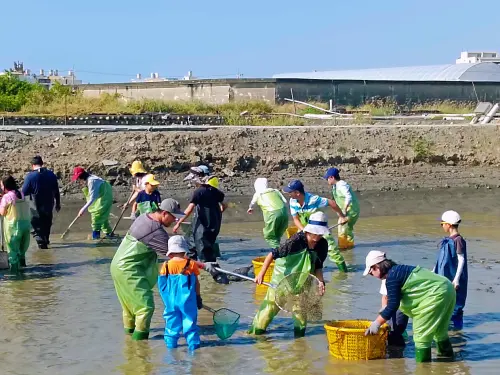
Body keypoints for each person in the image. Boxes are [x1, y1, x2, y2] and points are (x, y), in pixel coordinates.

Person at [110, 199, 184, 340]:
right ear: (164, 213)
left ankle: (129, 342)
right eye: (173, 216)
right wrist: (204, 266)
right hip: (129, 270)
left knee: (129, 308)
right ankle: (140, 346)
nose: (175, 220)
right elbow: (177, 257)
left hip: (117, 266)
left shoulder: (144, 216)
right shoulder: (155, 230)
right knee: (146, 307)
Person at [363, 250, 455, 362]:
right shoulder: (399, 270)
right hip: (448, 288)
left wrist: (376, 323)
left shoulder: (391, 278)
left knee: (421, 338)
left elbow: (393, 305)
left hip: (435, 295)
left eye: (370, 272)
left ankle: (423, 369)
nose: (371, 275)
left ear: (376, 267)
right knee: (440, 332)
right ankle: (448, 362)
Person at [249, 212, 329, 337]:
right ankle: (256, 334)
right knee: (269, 309)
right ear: (309, 231)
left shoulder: (322, 245)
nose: (317, 238)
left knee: (301, 314)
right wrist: (261, 274)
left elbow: (318, 266)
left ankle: (299, 340)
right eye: (315, 234)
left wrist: (320, 282)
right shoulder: (295, 241)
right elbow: (272, 255)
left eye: (320, 234)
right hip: (282, 280)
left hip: (303, 282)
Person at [283, 179, 348, 272]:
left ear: (297, 193)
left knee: (332, 251)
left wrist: (342, 216)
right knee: (300, 250)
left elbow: (332, 203)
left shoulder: (313, 200)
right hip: (304, 229)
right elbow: (296, 219)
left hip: (320, 229)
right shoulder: (293, 202)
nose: (288, 194)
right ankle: (306, 272)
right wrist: (304, 231)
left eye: (290, 192)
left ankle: (344, 272)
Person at [173, 176, 228, 284]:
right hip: (213, 225)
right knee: (196, 248)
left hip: (201, 227)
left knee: (202, 252)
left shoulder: (199, 192)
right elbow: (224, 205)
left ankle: (217, 277)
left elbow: (189, 209)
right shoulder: (218, 193)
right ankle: (190, 272)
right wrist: (218, 213)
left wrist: (179, 222)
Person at [158, 235, 203, 351]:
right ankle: (193, 347)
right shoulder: (191, 264)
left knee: (171, 323)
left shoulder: (166, 266)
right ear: (184, 251)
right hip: (188, 301)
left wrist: (166, 300)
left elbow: (162, 286)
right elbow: (197, 284)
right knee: (190, 322)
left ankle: (171, 346)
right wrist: (198, 297)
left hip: (171, 302)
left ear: (170, 252)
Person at [435, 210, 468, 330]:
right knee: (444, 302)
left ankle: (457, 331)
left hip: (454, 277)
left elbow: (461, 259)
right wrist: (433, 271)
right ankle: (448, 328)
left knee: (456, 304)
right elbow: (441, 260)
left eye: (442, 223)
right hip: (445, 275)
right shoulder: (448, 240)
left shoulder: (458, 240)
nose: (442, 226)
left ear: (448, 225)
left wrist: (457, 279)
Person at [22, 156, 61, 249]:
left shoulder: (30, 176)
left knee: (35, 225)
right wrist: (58, 203)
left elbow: (24, 192)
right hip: (49, 204)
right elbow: (56, 191)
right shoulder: (51, 174)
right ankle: (46, 240)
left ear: (32, 165)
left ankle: (40, 240)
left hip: (35, 206)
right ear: (42, 164)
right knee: (47, 223)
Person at [72, 167, 114, 240]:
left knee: (97, 216)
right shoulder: (90, 179)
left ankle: (96, 238)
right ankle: (110, 235)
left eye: (78, 178)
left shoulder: (92, 181)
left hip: (105, 196)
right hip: (102, 195)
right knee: (103, 217)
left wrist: (82, 209)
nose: (78, 180)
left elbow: (92, 198)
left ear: (81, 177)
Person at [0, 176, 31, 273]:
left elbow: (2, 212)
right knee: (22, 250)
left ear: (5, 186)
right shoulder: (20, 193)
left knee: (13, 251)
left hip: (13, 227)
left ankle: (15, 275)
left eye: (1, 185)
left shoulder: (6, 197)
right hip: (25, 225)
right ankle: (23, 268)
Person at [323, 167, 360, 249]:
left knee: (342, 229)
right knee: (348, 229)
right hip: (349, 210)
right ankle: (349, 247)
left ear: (332, 177)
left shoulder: (341, 185)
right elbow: (335, 198)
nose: (327, 181)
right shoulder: (335, 186)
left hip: (350, 210)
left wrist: (343, 210)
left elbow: (348, 197)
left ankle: (343, 248)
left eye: (327, 179)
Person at [248, 178, 288, 250]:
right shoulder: (275, 191)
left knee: (269, 236)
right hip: (284, 213)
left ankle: (279, 255)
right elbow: (285, 201)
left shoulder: (258, 193)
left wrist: (250, 208)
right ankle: (280, 250)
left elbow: (252, 203)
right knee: (277, 235)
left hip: (272, 214)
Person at [378, 258, 409, 347]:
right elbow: (385, 296)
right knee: (390, 328)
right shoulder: (386, 276)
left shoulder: (392, 277)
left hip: (401, 304)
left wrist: (377, 323)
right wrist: (384, 309)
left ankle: (398, 353)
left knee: (396, 330)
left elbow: (394, 303)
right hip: (393, 306)